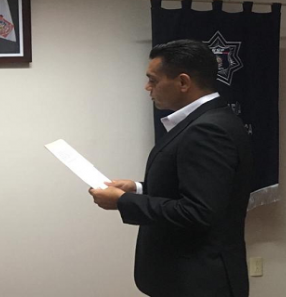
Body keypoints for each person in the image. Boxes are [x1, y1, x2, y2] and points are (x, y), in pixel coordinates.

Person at [89, 39, 252, 297]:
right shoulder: (206, 120)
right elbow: (193, 189)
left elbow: (198, 212)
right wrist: (138, 189)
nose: (147, 87)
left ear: (183, 82)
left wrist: (123, 201)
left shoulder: (208, 129)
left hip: (198, 283)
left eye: (153, 80)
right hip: (186, 279)